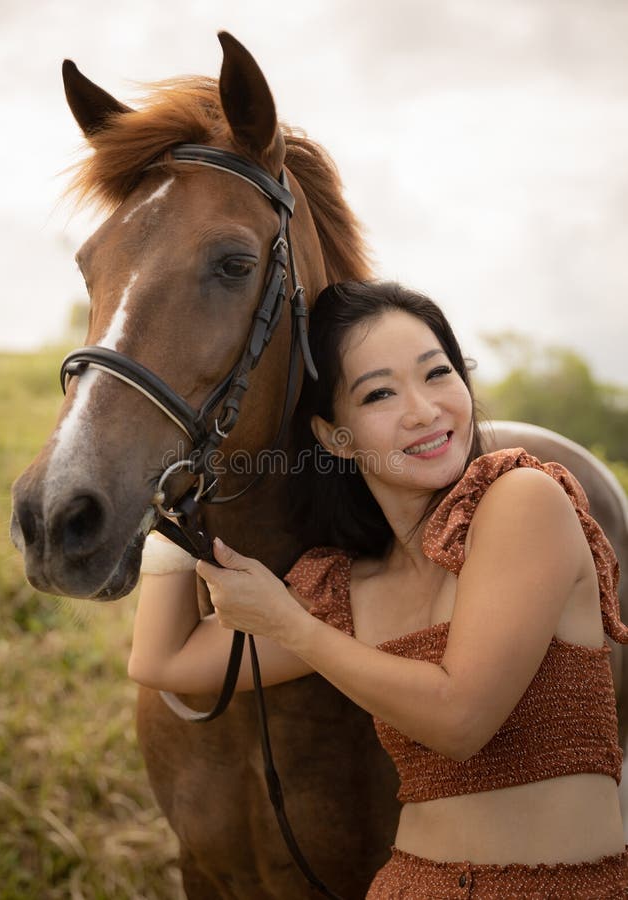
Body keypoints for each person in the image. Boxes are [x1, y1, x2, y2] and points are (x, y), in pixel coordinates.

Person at [129, 280, 628, 898]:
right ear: (336, 437)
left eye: (438, 373)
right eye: (380, 393)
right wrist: (174, 493)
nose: (424, 410)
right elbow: (163, 660)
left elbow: (461, 718)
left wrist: (292, 626)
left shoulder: (523, 500)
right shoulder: (352, 589)